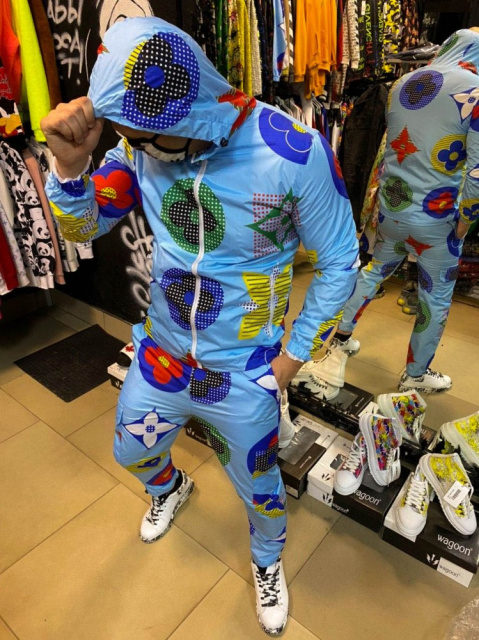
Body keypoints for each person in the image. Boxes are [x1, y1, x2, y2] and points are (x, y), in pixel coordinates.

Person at [41, 17, 358, 636]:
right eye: (127, 136)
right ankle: (171, 488)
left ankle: (266, 561)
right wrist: (70, 166)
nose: (134, 145)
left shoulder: (292, 150)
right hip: (162, 353)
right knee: (130, 449)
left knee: (260, 488)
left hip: (244, 369)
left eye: (140, 135)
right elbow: (83, 226)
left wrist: (291, 361)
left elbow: (342, 261)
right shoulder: (142, 143)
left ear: (183, 110)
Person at [308, 28, 479, 395]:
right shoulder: (474, 90)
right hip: (437, 218)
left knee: (374, 273)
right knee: (435, 296)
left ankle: (340, 339)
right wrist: (466, 220)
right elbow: (478, 172)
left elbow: (394, 148)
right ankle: (416, 374)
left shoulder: (403, 83)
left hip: (393, 207)